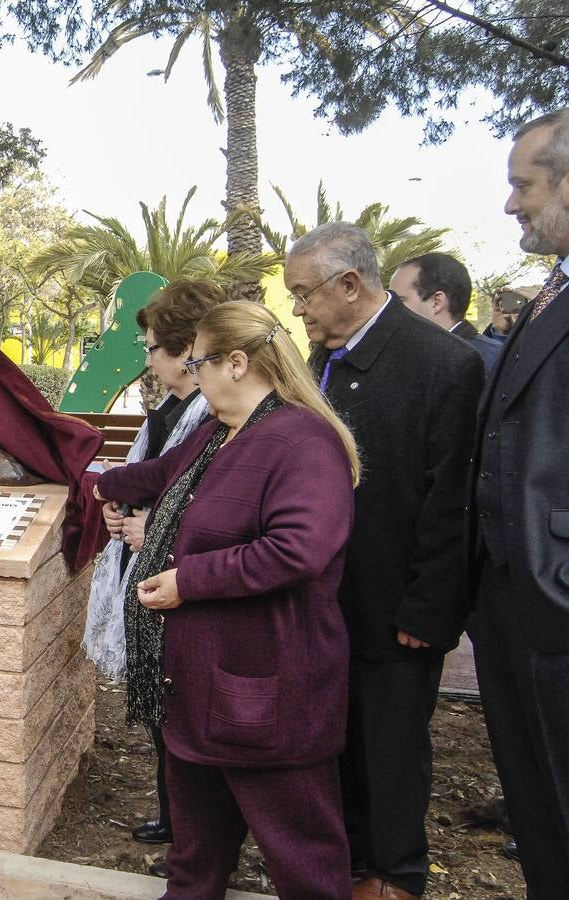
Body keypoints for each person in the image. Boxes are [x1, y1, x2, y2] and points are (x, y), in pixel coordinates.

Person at [94, 301, 361, 899]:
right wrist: (90, 479)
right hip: (194, 684)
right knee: (195, 850)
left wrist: (189, 579)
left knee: (302, 852)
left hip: (267, 690)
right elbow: (160, 476)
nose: (191, 375)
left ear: (236, 362)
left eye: (199, 363)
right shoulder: (218, 431)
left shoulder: (303, 442)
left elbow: (300, 550)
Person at [285, 222, 483, 900]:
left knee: (392, 747)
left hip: (396, 605)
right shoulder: (321, 362)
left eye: (303, 295)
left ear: (348, 284)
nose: (299, 311)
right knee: (335, 739)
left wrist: (429, 607)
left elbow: (452, 495)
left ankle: (393, 874)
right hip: (324, 599)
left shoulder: (443, 364)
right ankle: (346, 862)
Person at [84, 281, 223, 870]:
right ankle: (177, 821)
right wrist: (121, 507)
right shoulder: (170, 410)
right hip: (150, 570)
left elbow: (208, 496)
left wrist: (157, 531)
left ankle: (197, 842)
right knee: (161, 706)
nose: (146, 359)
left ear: (185, 347)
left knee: (183, 709)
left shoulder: (210, 415)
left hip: (183, 579)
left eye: (151, 347)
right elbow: (152, 476)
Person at [469, 107, 569, 898]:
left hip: (553, 607)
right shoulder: (550, 294)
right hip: (515, 613)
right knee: (541, 820)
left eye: (521, 186)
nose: (509, 206)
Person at [389, 252, 503, 374]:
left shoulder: (494, 360)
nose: (390, 308)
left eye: (399, 300)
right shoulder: (403, 355)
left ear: (436, 302)